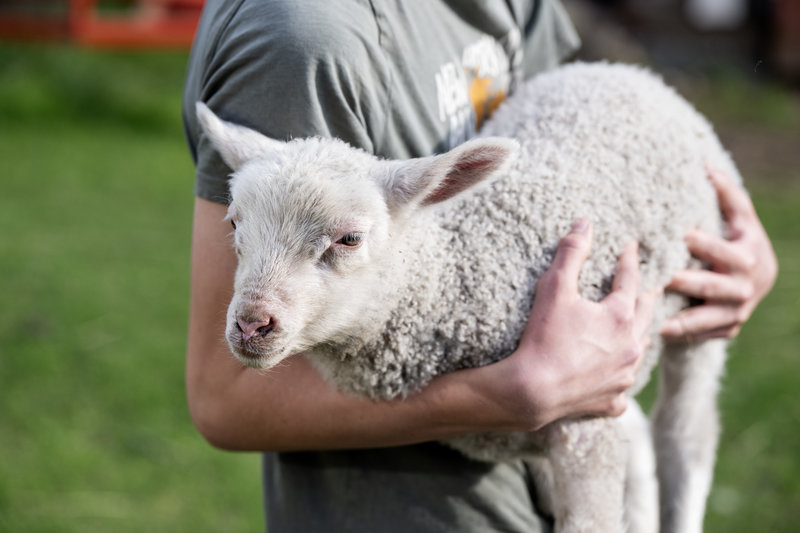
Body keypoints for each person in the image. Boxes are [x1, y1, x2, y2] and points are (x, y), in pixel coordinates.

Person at [181, 1, 777, 531]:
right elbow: (225, 398)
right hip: (403, 500)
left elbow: (570, 118)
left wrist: (748, 250)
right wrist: (508, 395)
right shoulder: (304, 44)